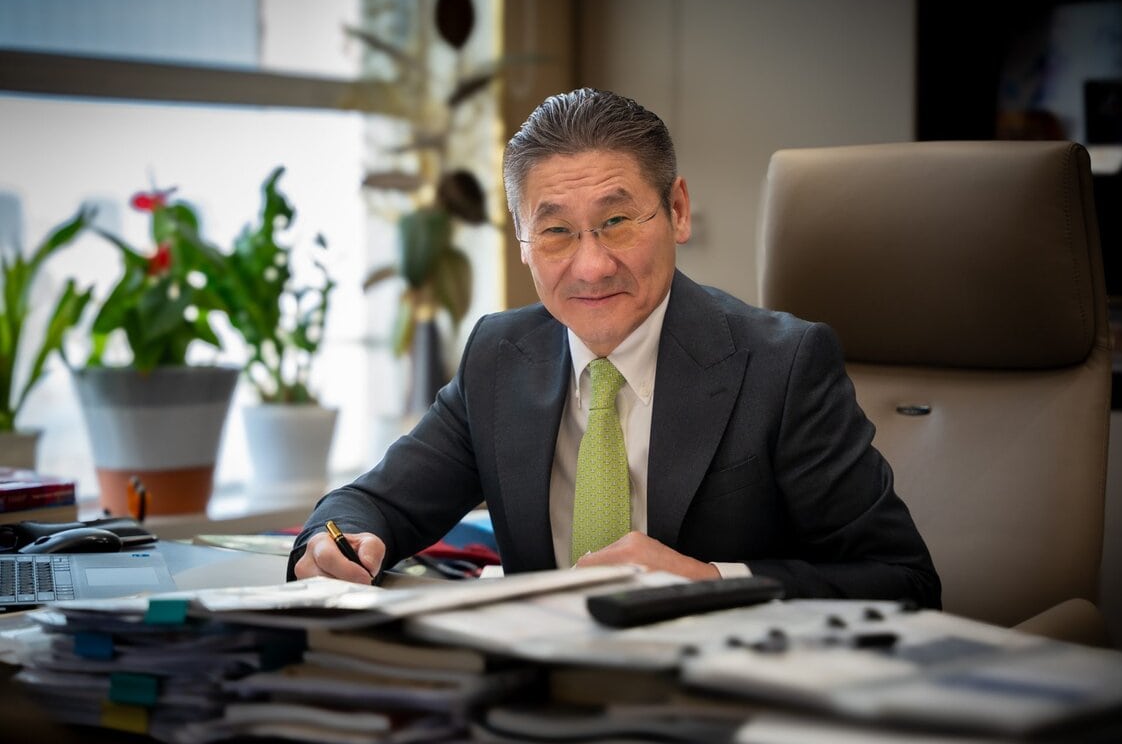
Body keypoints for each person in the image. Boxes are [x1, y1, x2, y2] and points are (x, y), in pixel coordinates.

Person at [289, 88, 940, 607]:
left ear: (677, 211)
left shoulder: (783, 366)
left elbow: (902, 581)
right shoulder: (499, 355)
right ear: (522, 243)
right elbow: (371, 504)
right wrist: (334, 541)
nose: (592, 266)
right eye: (556, 233)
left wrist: (710, 581)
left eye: (617, 222)